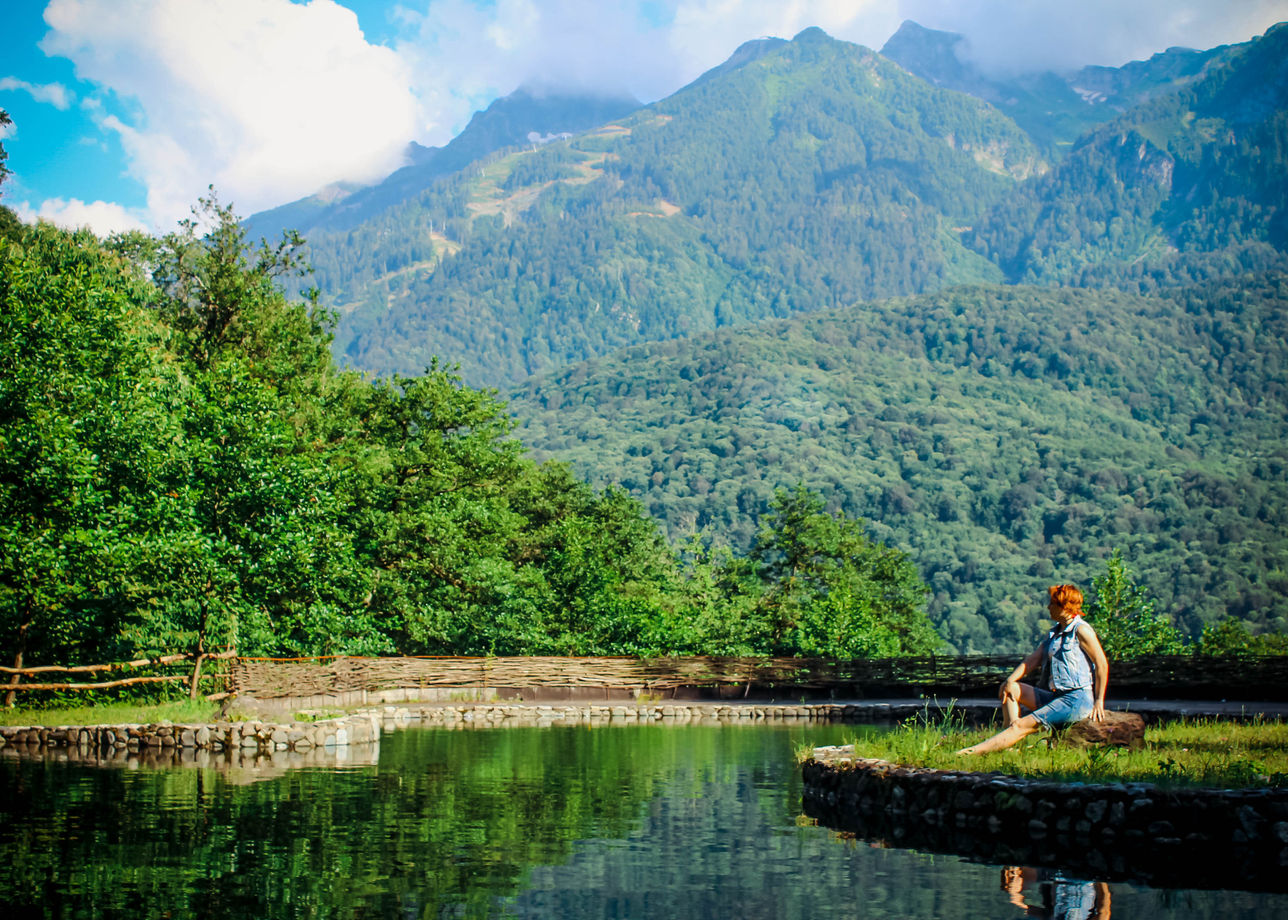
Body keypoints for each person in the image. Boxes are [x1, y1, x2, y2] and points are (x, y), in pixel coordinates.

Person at [957, 584, 1108, 755]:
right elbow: (1032, 660)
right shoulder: (1055, 634)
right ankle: (1011, 740)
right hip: (1056, 696)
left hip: (1075, 699)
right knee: (1011, 688)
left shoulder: (1081, 630)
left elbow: (1101, 664)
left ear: (1063, 606)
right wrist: (1009, 681)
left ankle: (970, 753)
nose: (1048, 607)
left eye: (1052, 603)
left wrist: (1098, 700)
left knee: (1022, 725)